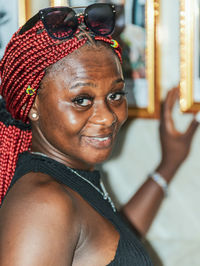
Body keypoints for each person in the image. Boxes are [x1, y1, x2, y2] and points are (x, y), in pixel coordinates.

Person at [0, 3, 198, 266]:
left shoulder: (69, 177)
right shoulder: (42, 205)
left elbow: (111, 244)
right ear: (33, 105)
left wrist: (168, 164)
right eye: (82, 100)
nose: (107, 116)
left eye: (115, 95)